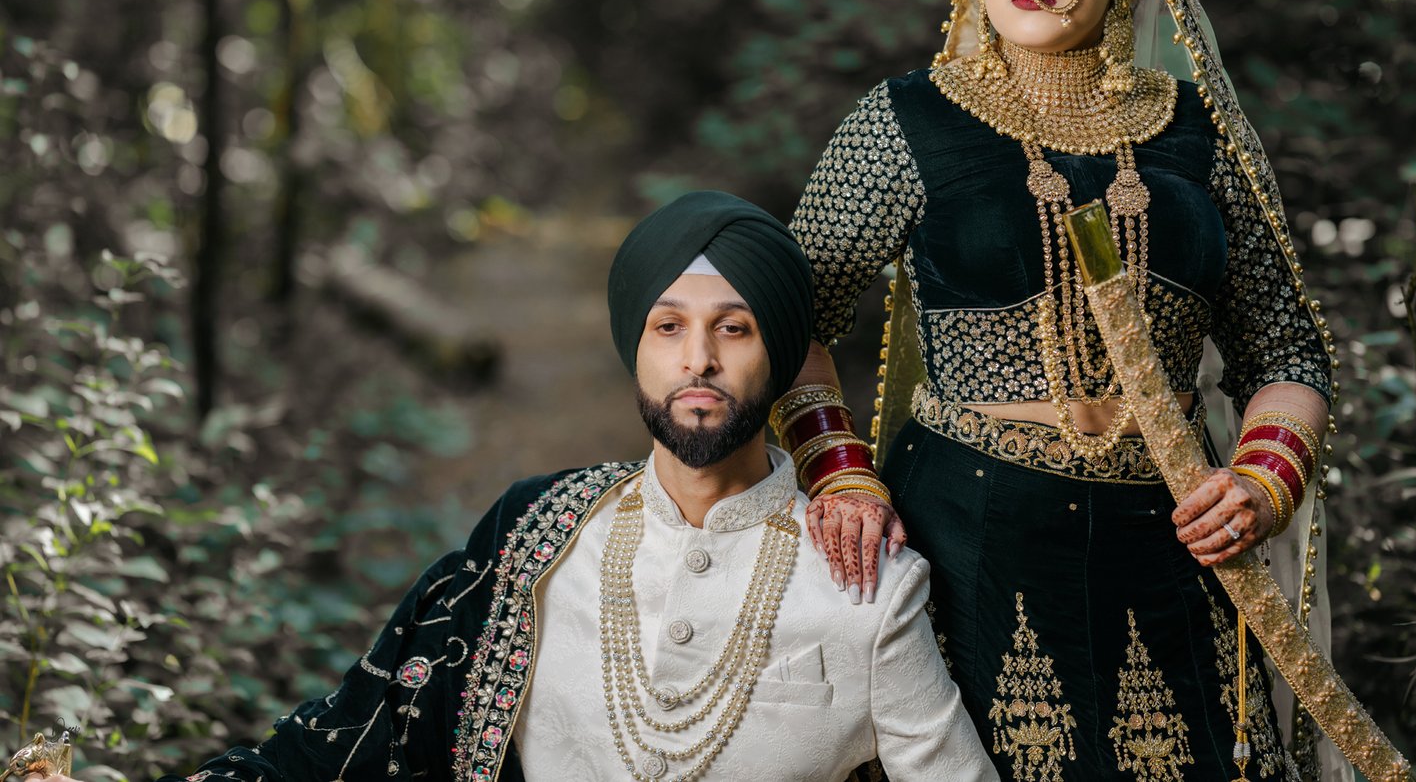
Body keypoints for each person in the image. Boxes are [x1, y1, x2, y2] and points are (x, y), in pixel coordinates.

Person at [25, 192, 996, 782]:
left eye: (733, 328)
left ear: (780, 351)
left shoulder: (865, 581)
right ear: (632, 346)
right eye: (667, 326)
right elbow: (351, 740)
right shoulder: (537, 536)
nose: (697, 358)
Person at [776, 0, 1353, 781]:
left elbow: (1288, 352)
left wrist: (1258, 484)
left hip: (1170, 541)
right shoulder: (906, 119)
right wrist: (840, 472)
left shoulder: (1196, 132)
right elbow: (790, 321)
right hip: (964, 536)